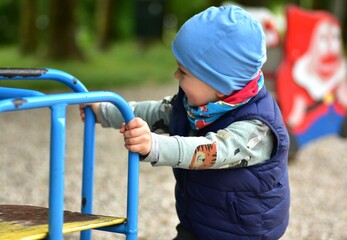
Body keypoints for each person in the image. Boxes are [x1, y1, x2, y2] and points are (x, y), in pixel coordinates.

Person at [80, 5, 290, 240]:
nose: (175, 77)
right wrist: (106, 111)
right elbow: (154, 111)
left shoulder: (257, 128)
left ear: (220, 86)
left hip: (243, 232)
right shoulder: (197, 105)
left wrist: (154, 146)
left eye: (184, 73)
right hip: (200, 220)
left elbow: (211, 151)